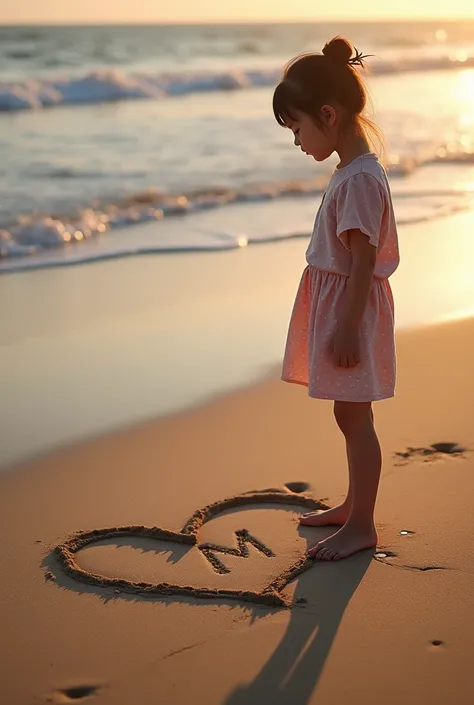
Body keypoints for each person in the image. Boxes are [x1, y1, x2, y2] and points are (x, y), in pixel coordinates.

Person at [273, 36, 400, 561]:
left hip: (351, 310)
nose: (297, 141)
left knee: (355, 417)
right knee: (350, 415)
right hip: (344, 304)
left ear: (328, 114)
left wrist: (347, 328)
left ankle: (363, 525)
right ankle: (354, 507)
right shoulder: (354, 172)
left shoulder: (359, 182)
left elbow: (363, 262)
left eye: (298, 127)